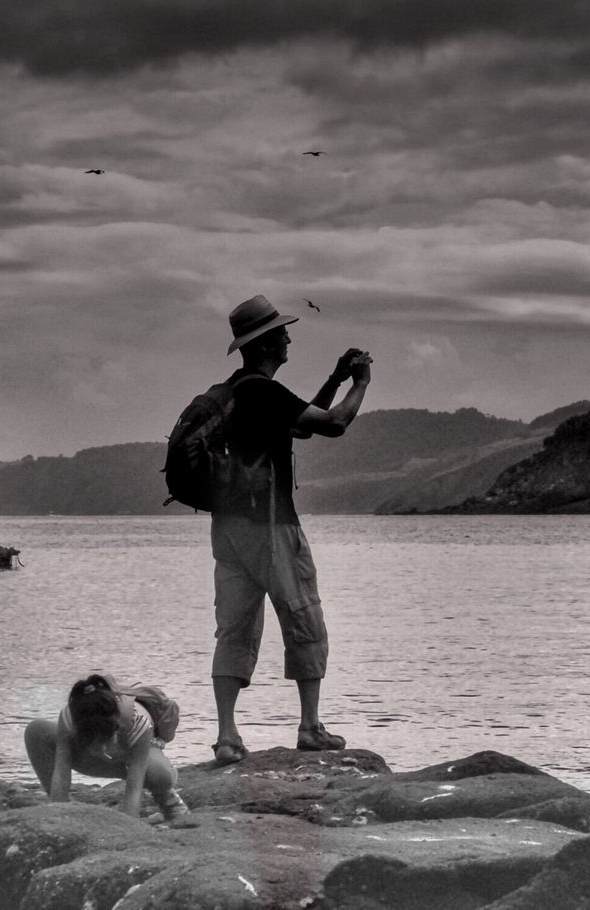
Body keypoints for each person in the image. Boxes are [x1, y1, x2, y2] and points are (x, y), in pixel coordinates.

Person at [210, 294, 372, 764]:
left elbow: (300, 427)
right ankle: (310, 727)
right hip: (271, 525)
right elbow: (335, 423)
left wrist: (333, 378)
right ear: (264, 344)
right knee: (304, 616)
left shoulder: (236, 390)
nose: (287, 337)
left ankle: (226, 737)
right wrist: (360, 383)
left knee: (234, 629)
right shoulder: (262, 390)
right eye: (281, 332)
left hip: (228, 529)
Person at [24, 674, 189, 822]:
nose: (102, 748)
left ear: (117, 727)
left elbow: (134, 786)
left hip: (132, 758)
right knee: (36, 731)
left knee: (161, 774)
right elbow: (62, 769)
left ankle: (168, 800)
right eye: (96, 743)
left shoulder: (138, 722)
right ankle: (61, 805)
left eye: (105, 742)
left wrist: (126, 828)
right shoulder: (70, 718)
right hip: (92, 757)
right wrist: (59, 816)